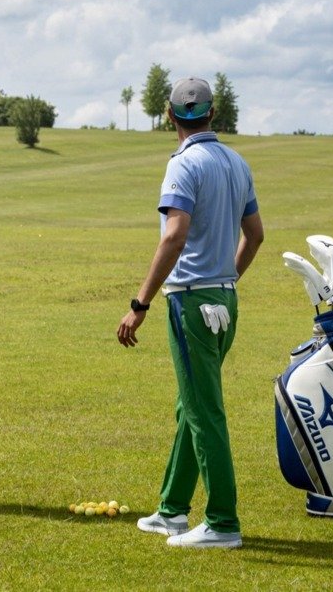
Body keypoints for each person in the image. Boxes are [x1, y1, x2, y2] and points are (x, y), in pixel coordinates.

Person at [117, 77, 264, 548]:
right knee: (191, 406)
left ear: (169, 115)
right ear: (213, 114)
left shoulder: (183, 164)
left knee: (204, 412)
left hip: (192, 302)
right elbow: (255, 235)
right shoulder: (236, 162)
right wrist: (227, 280)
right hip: (224, 298)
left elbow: (174, 235)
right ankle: (172, 511)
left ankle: (222, 522)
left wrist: (138, 305)